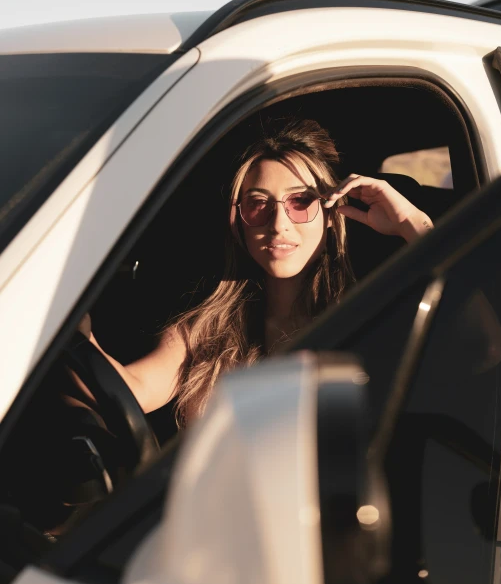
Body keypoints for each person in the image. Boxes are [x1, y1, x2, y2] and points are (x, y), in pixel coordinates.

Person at [79, 119, 433, 425]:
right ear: (240, 221)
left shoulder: (370, 315)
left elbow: (484, 349)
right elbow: (131, 391)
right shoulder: (205, 330)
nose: (278, 224)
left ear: (331, 214)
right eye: (259, 203)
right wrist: (71, 324)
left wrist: (413, 225)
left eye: (300, 201)